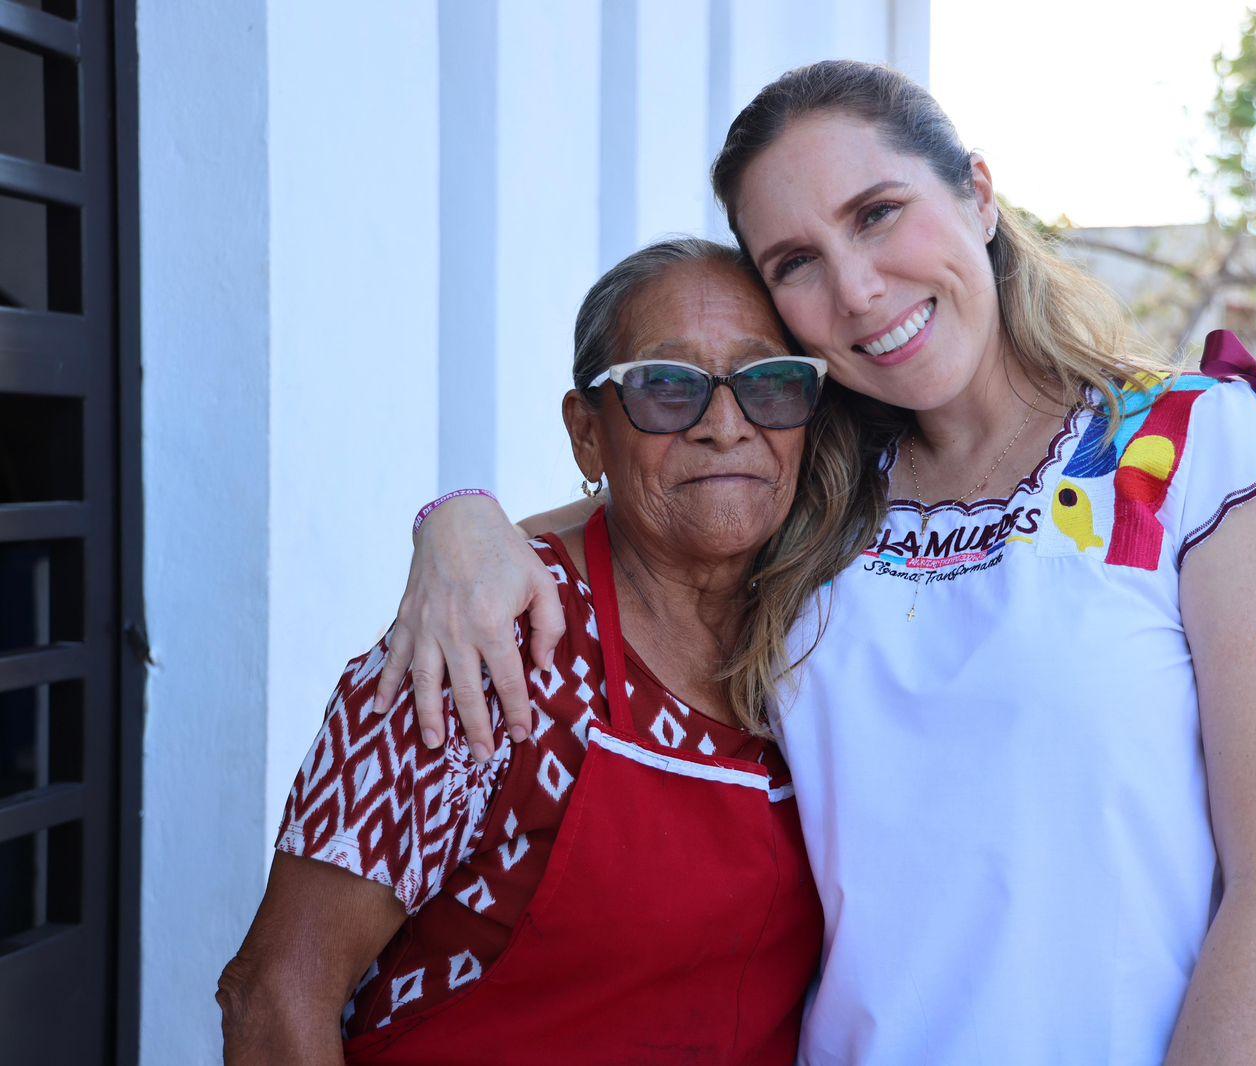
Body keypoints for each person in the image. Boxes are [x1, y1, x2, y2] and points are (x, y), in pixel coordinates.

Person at [376, 62, 1256, 1064]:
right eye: (795, 263)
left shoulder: (1193, 457)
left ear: (978, 196)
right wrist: (460, 524)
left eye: (876, 213)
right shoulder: (818, 491)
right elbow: (629, 498)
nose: (858, 290)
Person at [215, 238, 865, 1064]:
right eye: (667, 389)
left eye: (768, 383)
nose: (725, 426)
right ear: (587, 434)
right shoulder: (480, 648)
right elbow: (275, 993)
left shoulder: (837, 633)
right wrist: (453, 514)